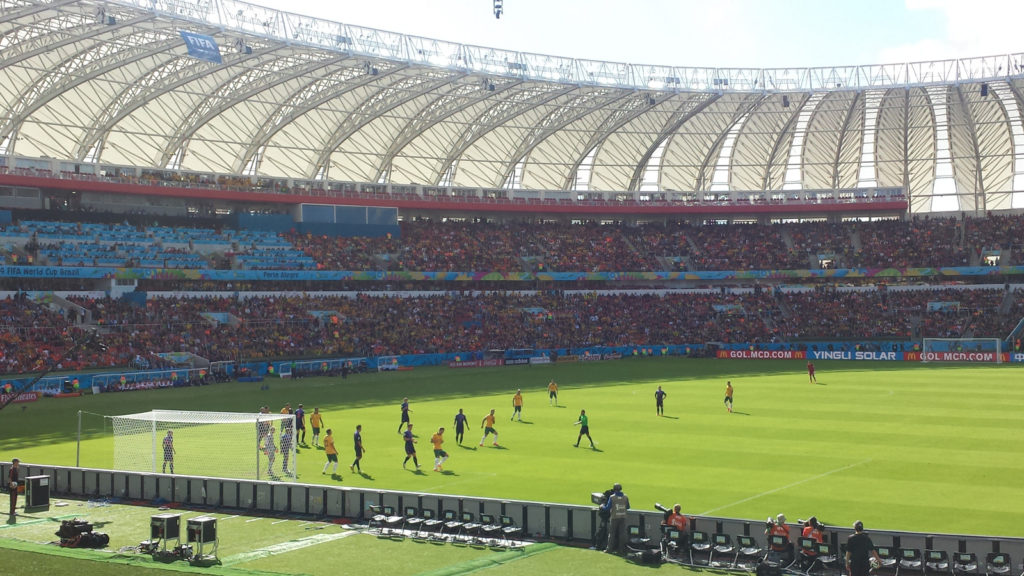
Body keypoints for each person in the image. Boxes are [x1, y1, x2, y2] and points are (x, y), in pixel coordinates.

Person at [601, 483, 629, 555]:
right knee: (622, 534)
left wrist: (602, 506)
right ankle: (621, 550)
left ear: (614, 489)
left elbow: (607, 508)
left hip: (614, 517)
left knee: (612, 534)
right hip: (623, 517)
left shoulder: (612, 497)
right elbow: (628, 507)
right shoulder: (625, 497)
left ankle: (609, 549)